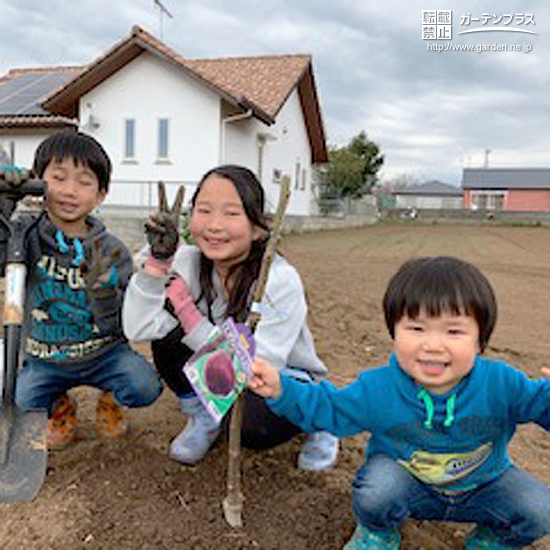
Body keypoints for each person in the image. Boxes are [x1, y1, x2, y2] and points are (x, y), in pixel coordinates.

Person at [249, 256, 550, 549]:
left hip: (484, 487)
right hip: (409, 486)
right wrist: (281, 388)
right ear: (394, 332)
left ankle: (492, 538)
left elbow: (541, 405)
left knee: (539, 508)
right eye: (416, 328)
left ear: (479, 340)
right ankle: (379, 533)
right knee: (376, 491)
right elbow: (331, 408)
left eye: (453, 331)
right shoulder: (379, 388)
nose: (432, 345)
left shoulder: (501, 382)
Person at [123, 164, 339, 469]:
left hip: (283, 377)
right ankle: (203, 416)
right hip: (225, 371)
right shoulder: (187, 261)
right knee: (166, 336)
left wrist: (190, 318)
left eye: (231, 213)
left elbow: (257, 371)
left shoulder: (277, 280)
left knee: (252, 424)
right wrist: (157, 265)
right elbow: (139, 328)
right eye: (205, 210)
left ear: (257, 227)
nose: (214, 225)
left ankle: (321, 416)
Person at [0, 131, 162, 449]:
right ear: (38, 181)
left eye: (84, 182)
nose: (69, 191)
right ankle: (59, 405)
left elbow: (125, 322)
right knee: (19, 401)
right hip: (45, 359)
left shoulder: (112, 250)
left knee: (144, 386)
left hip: (105, 354)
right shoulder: (24, 236)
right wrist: (4, 204)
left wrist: (102, 295)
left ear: (101, 194)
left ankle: (111, 399)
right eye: (58, 178)